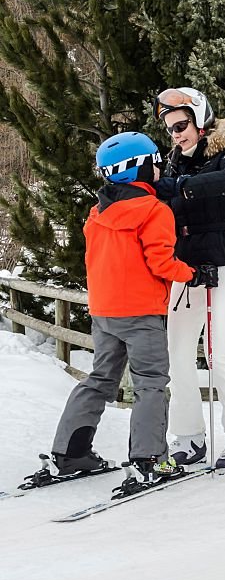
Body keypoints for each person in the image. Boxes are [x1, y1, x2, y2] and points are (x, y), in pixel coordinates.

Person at [50, 132, 196, 481]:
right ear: (138, 168)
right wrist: (190, 272)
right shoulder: (153, 210)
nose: (160, 168)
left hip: (104, 312)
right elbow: (160, 263)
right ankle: (151, 458)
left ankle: (71, 453)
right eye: (155, 162)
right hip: (141, 312)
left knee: (100, 379)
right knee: (150, 383)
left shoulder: (98, 212)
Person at [153, 87, 225, 472]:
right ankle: (189, 436)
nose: (176, 135)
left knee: (217, 352)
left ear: (200, 121)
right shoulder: (174, 162)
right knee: (177, 350)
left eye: (181, 126)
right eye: (170, 129)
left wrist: (180, 187)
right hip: (190, 264)